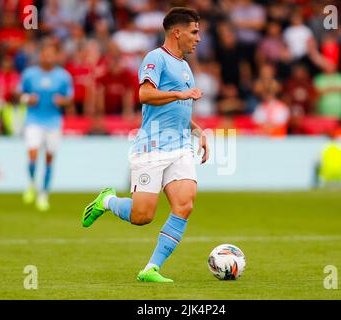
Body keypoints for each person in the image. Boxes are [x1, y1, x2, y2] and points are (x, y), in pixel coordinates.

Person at [81, 7, 209, 283]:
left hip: (181, 146)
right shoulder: (155, 58)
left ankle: (151, 268)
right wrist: (179, 92)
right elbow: (144, 94)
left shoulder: (185, 66)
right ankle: (107, 200)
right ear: (177, 32)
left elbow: (179, 109)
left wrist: (199, 131)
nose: (198, 38)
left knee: (185, 204)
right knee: (142, 216)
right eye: (194, 31)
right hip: (152, 145)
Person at [19, 40, 74, 211]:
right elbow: (19, 95)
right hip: (33, 120)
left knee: (49, 158)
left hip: (53, 122)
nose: (48, 57)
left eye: (51, 54)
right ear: (40, 55)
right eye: (45, 53)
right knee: (33, 154)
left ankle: (43, 194)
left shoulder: (63, 76)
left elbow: (70, 98)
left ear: (56, 56)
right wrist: (28, 99)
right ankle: (31, 184)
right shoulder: (29, 74)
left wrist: (62, 101)